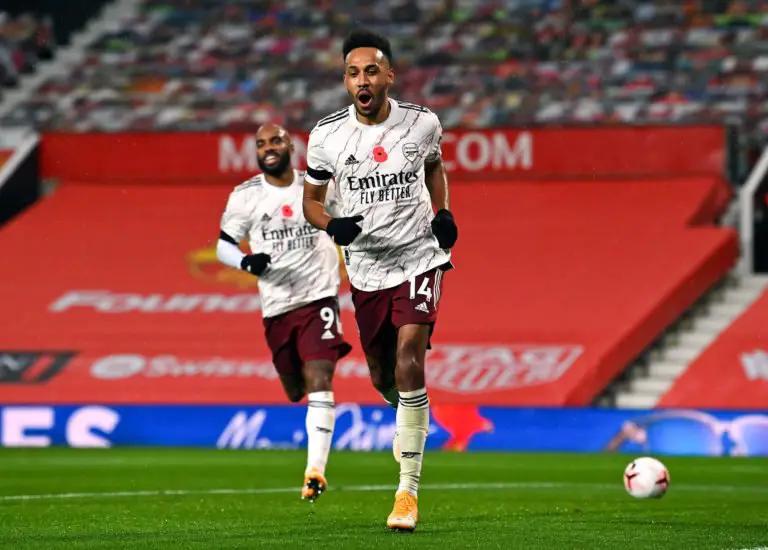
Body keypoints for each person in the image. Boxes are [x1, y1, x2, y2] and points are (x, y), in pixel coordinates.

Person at [302, 29, 459, 531]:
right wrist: (332, 224)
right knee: (381, 375)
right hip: (366, 269)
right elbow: (310, 201)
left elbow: (434, 167)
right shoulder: (326, 136)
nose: (362, 80)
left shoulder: (421, 123)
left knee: (411, 357)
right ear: (345, 81)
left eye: (371, 71)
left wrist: (443, 212)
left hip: (419, 257)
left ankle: (407, 492)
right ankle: (409, 414)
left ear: (389, 75)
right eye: (353, 73)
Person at [216, 123, 351, 503]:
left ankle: (315, 471)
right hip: (276, 306)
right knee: (295, 389)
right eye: (261, 144)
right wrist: (246, 262)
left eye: (275, 140)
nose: (268, 148)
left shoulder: (316, 186)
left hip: (319, 299)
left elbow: (345, 220)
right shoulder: (246, 195)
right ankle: (311, 419)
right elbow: (224, 245)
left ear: (291, 146)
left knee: (321, 376)